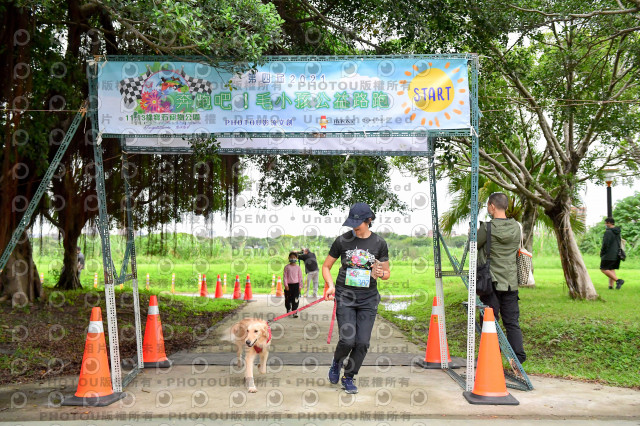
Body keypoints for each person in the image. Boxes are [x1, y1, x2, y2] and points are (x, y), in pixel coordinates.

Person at [322, 202, 390, 394]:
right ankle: (336, 362)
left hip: (368, 299)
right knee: (347, 340)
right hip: (345, 297)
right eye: (352, 222)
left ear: (369, 220)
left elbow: (386, 273)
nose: (354, 226)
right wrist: (331, 286)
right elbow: (326, 266)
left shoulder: (379, 243)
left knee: (362, 342)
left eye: (358, 222)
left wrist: (380, 273)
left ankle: (348, 376)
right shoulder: (342, 241)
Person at [477, 193, 526, 365]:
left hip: (490, 282)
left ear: (492, 206)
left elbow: (474, 244)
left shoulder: (487, 228)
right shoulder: (516, 227)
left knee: (489, 320)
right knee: (512, 322)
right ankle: (518, 359)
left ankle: (491, 358)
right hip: (511, 282)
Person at [600, 217, 624, 290]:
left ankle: (618, 281)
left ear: (609, 223)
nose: (605, 224)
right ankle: (611, 286)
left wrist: (602, 252)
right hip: (617, 253)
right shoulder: (617, 231)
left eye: (606, 223)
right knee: (611, 269)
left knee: (603, 269)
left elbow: (605, 244)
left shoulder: (608, 232)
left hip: (609, 254)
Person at [283, 252, 303, 317]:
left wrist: (300, 286)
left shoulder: (298, 268)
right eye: (291, 257)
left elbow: (300, 277)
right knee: (288, 298)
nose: (293, 259)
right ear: (289, 258)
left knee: (296, 299)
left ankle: (294, 311)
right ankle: (288, 309)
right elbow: (285, 277)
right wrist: (286, 285)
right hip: (288, 285)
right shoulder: (287, 267)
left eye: (294, 257)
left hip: (296, 285)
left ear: (296, 258)